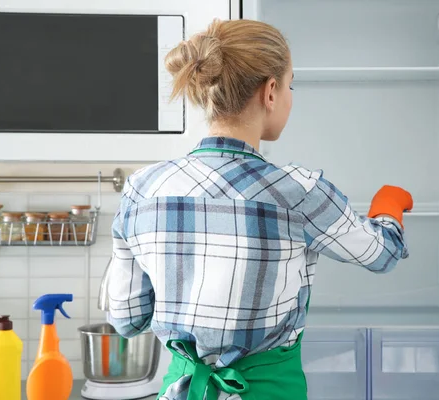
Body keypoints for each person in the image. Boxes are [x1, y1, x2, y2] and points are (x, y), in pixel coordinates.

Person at [107, 18, 412, 400]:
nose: (289, 95)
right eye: (290, 85)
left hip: (182, 390)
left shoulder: (142, 189)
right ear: (270, 91)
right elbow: (381, 254)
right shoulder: (298, 191)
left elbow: (127, 319)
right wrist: (390, 205)